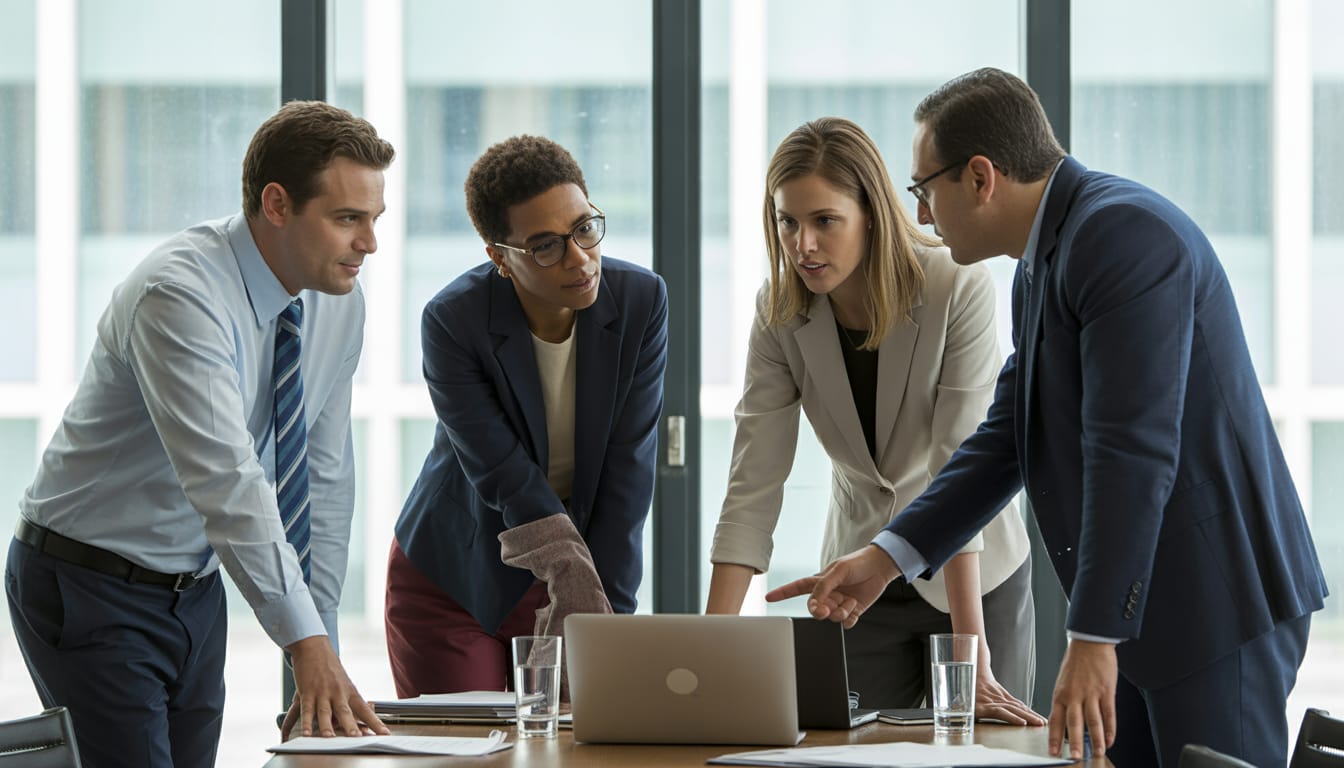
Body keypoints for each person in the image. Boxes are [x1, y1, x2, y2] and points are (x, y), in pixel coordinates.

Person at [767, 68, 1328, 767]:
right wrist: (889, 557)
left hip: (1210, 603)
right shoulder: (1043, 261)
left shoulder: (1121, 235)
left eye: (923, 190)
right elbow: (1005, 437)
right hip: (1145, 607)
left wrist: (1092, 638)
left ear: (979, 177)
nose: (920, 216)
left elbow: (1132, 450)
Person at [5, 100, 396, 767]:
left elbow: (323, 478)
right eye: (347, 219)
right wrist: (304, 645)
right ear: (277, 204)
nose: (370, 243)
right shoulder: (179, 294)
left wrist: (321, 634)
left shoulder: (338, 305)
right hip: (90, 579)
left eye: (374, 219)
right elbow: (227, 480)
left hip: (195, 588)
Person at [705, 117, 1042, 724]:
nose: (802, 244)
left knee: (983, 752)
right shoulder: (779, 310)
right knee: (843, 750)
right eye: (787, 221)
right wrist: (705, 651)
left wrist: (972, 657)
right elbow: (754, 477)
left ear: (871, 213)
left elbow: (960, 463)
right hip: (859, 578)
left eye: (824, 221)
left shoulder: (956, 284)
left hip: (974, 580)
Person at [385, 135, 668, 697]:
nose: (580, 258)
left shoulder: (641, 301)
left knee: (573, 748)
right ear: (500, 257)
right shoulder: (452, 320)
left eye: (585, 228)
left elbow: (627, 472)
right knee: (471, 761)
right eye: (546, 246)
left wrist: (604, 616)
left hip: (576, 573)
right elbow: (499, 468)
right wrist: (569, 569)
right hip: (455, 576)